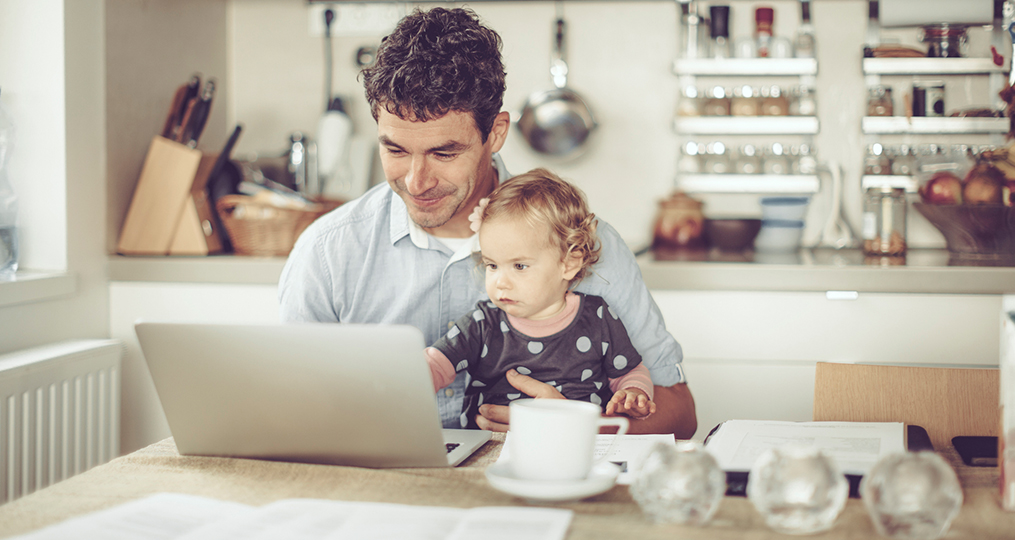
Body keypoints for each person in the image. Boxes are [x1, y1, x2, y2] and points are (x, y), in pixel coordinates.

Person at [278, 6, 696, 438]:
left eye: (444, 153)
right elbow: (287, 406)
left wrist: (581, 426)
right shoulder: (328, 252)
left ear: (495, 133)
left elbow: (681, 414)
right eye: (396, 150)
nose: (416, 182)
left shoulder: (584, 243)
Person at [425, 169, 656, 429]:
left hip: (572, 448)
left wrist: (634, 393)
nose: (500, 281)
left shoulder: (597, 318)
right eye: (492, 265)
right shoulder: (481, 323)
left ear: (568, 263)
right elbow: (434, 365)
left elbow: (630, 372)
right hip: (487, 450)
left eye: (520, 266)